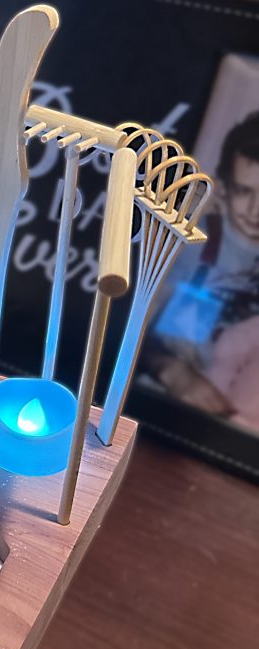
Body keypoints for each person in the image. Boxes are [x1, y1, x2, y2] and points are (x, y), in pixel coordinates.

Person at [142, 111, 259, 427]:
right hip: (169, 413)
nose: (254, 211)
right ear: (223, 188)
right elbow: (131, 336)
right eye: (244, 192)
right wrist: (175, 373)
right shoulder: (189, 243)